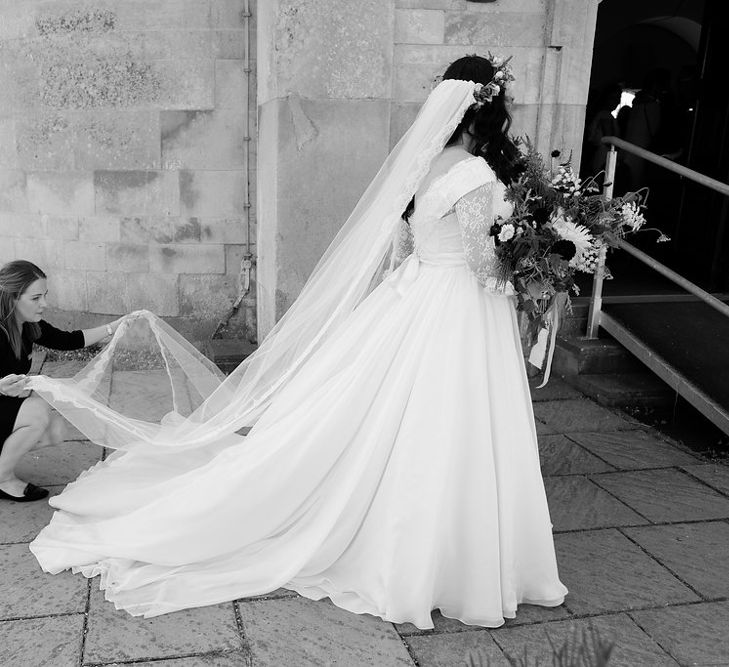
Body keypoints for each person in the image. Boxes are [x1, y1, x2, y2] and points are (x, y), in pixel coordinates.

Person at [29, 55, 568, 627]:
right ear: (489, 108)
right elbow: (485, 266)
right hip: (460, 308)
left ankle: (401, 531)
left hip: (418, 297)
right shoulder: (477, 175)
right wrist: (537, 276)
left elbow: (408, 250)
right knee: (449, 420)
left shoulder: (424, 166)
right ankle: (444, 552)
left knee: (394, 415)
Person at [0, 260, 123, 502]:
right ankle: (2, 479)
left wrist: (113, 328)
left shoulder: (27, 324)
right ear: (12, 298)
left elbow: (68, 340)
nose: (44, 304)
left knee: (55, 430)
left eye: (44, 295)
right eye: (35, 298)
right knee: (37, 413)